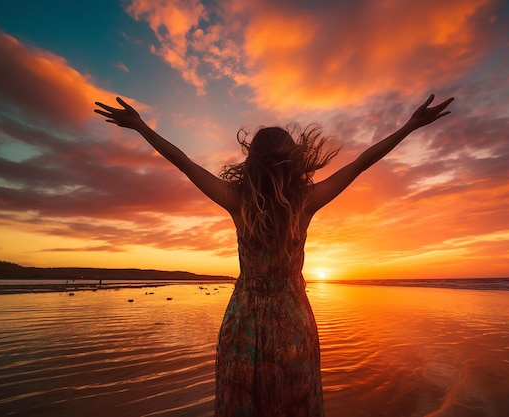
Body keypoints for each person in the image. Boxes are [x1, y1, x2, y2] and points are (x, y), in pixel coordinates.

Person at [94, 94, 453, 417]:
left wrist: (142, 127)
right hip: (292, 317)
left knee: (243, 400)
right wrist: (409, 126)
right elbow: (360, 163)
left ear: (252, 158)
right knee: (293, 402)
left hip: (244, 316)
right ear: (292, 158)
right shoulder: (304, 203)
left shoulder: (237, 200)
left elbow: (184, 162)